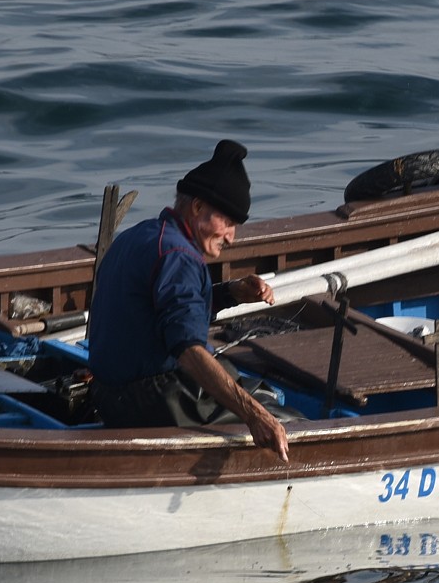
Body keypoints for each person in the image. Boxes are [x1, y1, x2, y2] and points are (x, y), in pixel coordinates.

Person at [88, 139, 290, 459]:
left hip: (106, 395)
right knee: (274, 407)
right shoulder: (179, 256)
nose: (231, 237)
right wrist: (255, 415)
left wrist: (231, 292)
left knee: (235, 380)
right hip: (151, 399)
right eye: (228, 222)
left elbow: (156, 315)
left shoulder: (138, 236)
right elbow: (188, 352)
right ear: (197, 207)